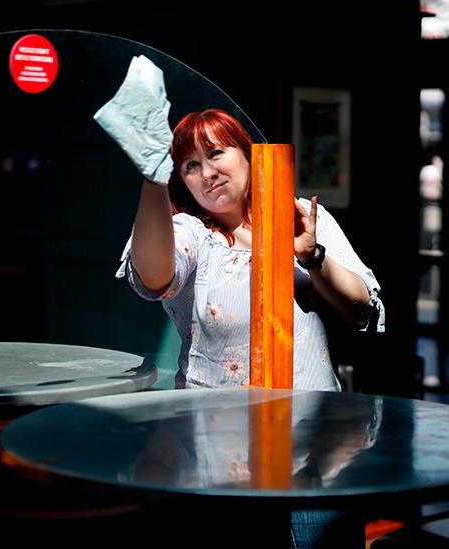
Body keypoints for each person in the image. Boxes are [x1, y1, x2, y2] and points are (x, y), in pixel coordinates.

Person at [94, 55, 381, 548]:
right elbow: (154, 274)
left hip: (318, 448)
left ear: (246, 156)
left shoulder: (300, 215)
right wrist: (151, 176)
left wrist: (312, 256)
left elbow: (362, 310)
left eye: (218, 154)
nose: (208, 173)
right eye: (190, 166)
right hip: (215, 458)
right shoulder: (189, 233)